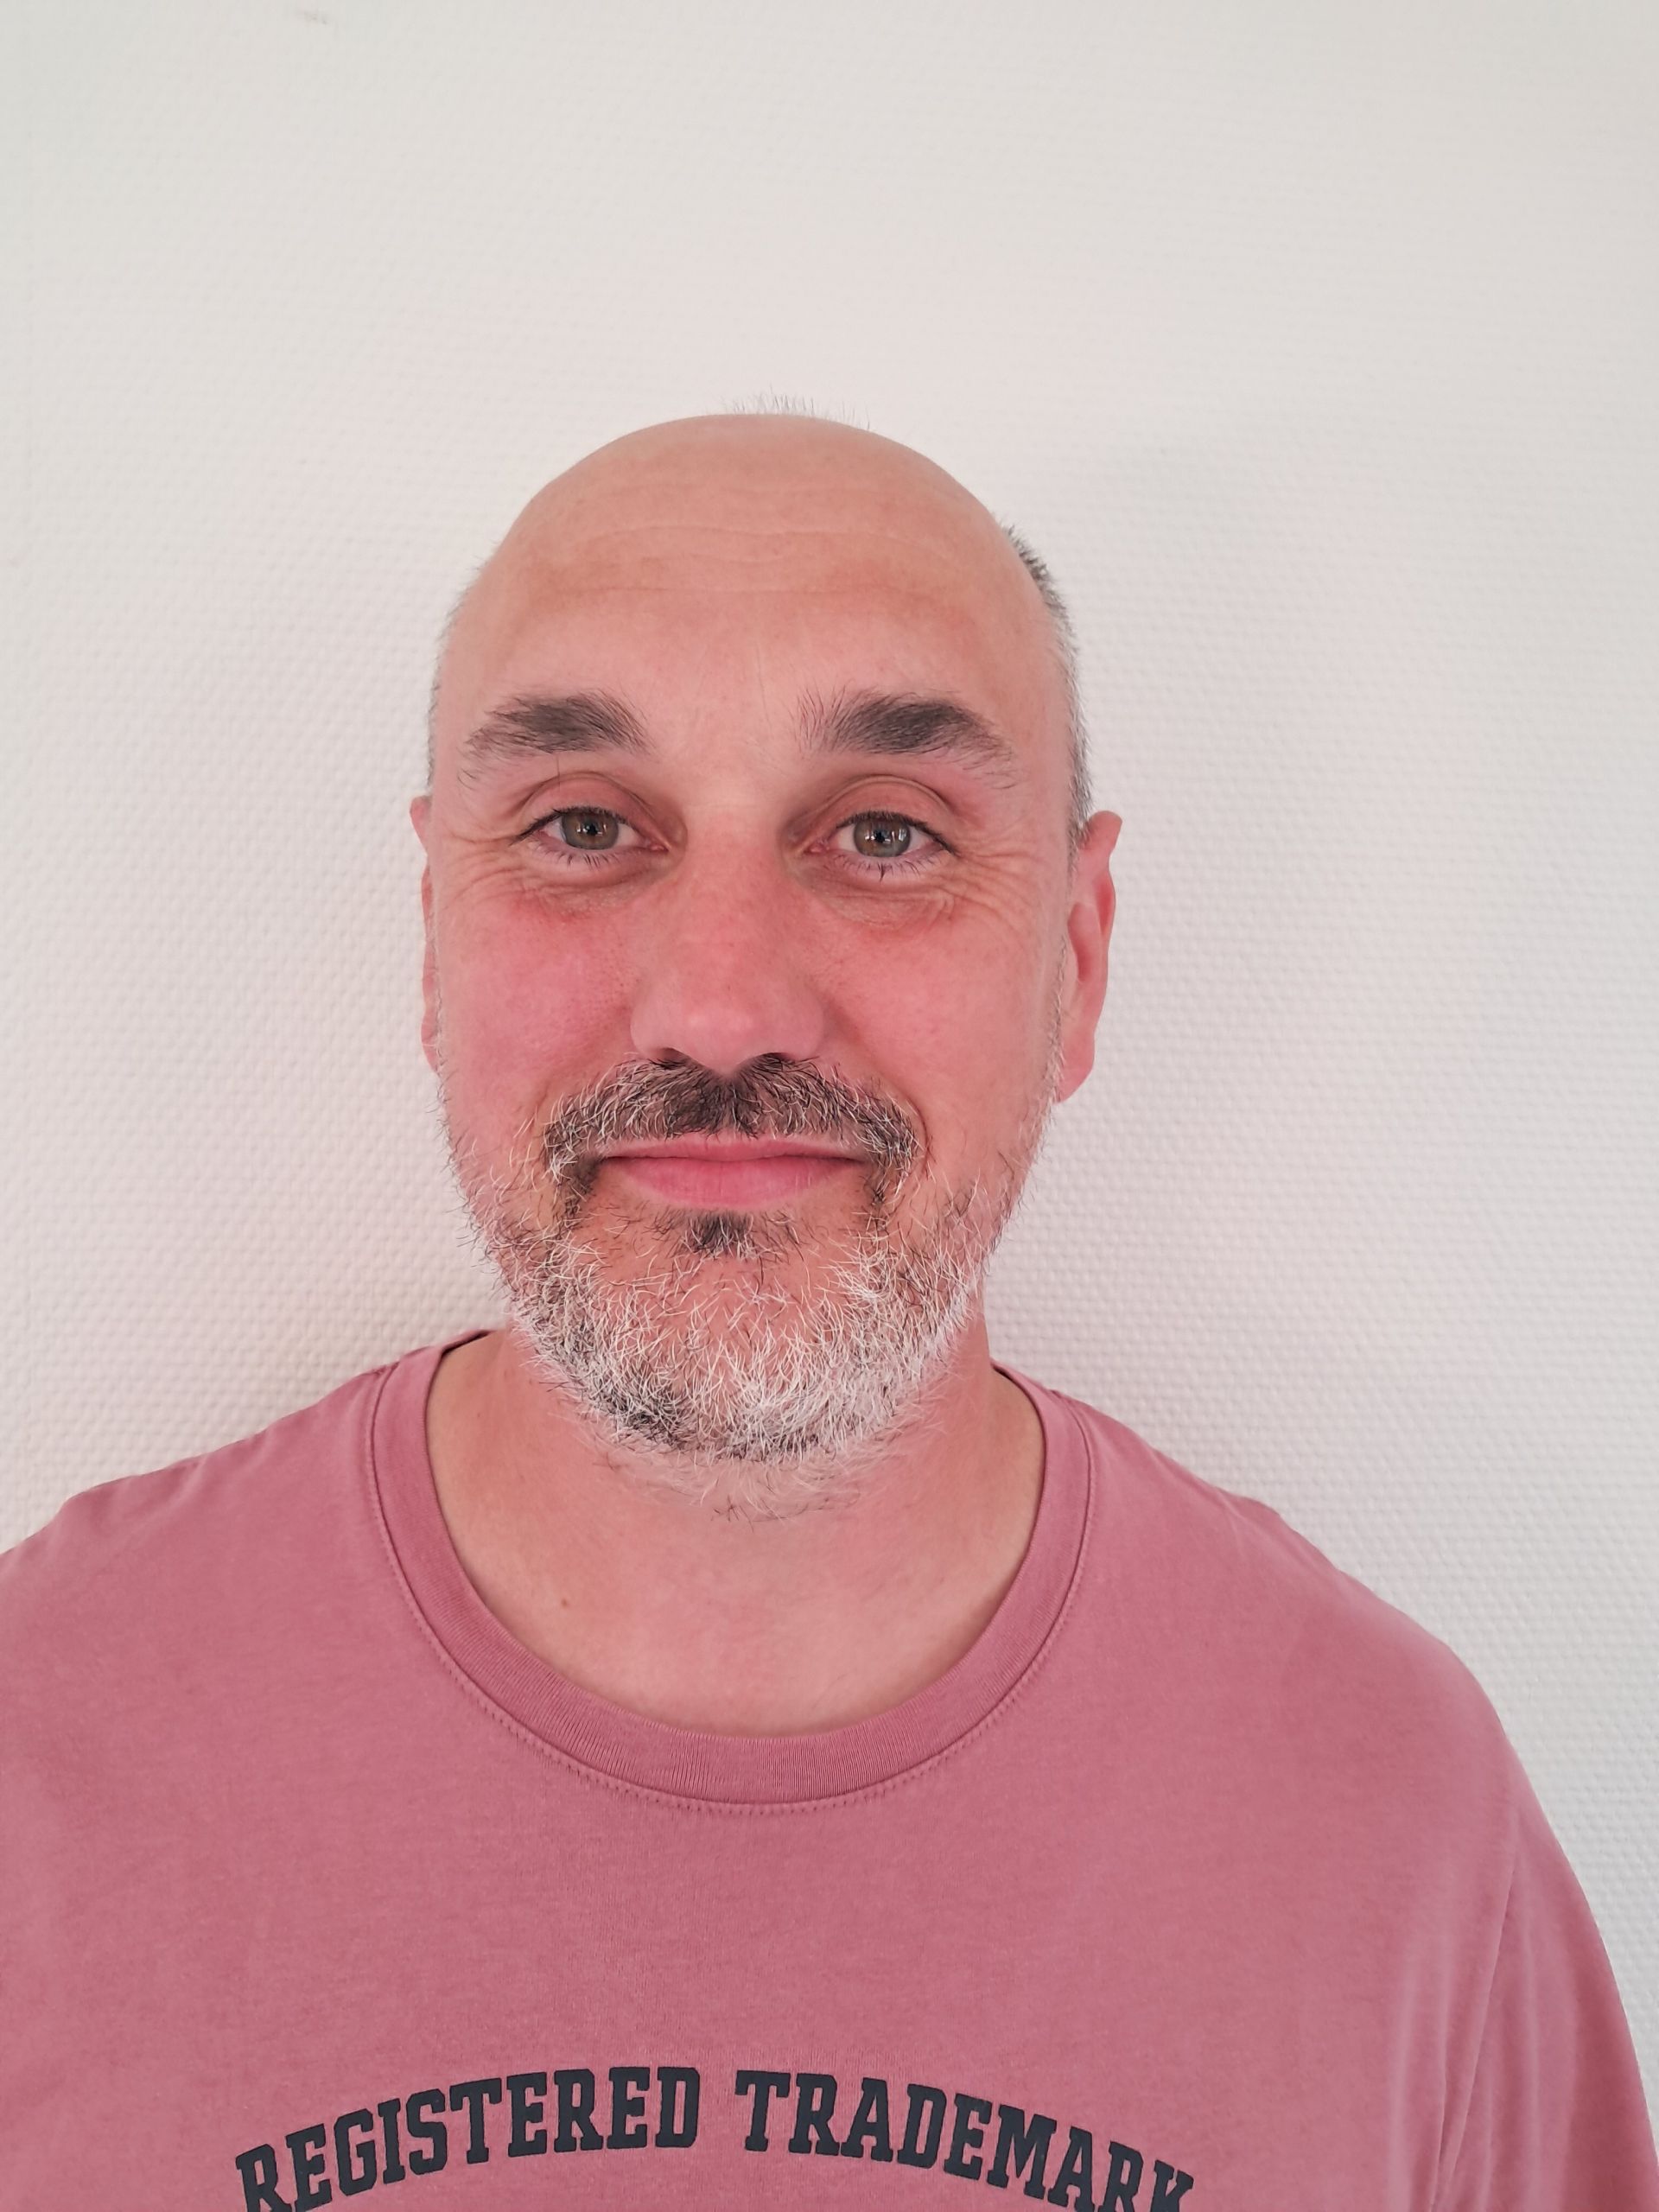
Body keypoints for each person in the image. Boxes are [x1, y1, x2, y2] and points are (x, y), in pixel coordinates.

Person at [1, 411, 1653, 2212]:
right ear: (432, 940)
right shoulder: (40, 1745)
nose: (723, 1009)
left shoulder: (1396, 1825)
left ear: (1078, 954)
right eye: (581, 826)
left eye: (884, 831)